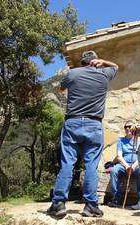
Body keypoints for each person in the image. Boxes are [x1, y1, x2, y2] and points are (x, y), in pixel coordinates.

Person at [48, 50, 118, 218]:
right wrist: (103, 61)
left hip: (72, 122)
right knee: (91, 166)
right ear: (95, 61)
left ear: (83, 63)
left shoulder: (73, 73)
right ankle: (91, 205)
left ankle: (58, 204)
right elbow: (115, 66)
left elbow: (60, 88)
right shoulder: (104, 74)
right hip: (94, 124)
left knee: (67, 163)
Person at [108, 120, 140, 208]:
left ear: (134, 127)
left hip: (136, 165)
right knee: (114, 170)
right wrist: (127, 166)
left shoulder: (138, 140)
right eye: (125, 127)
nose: (127, 128)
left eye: (129, 126)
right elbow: (119, 156)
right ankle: (116, 198)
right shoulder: (121, 141)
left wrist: (133, 167)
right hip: (124, 165)